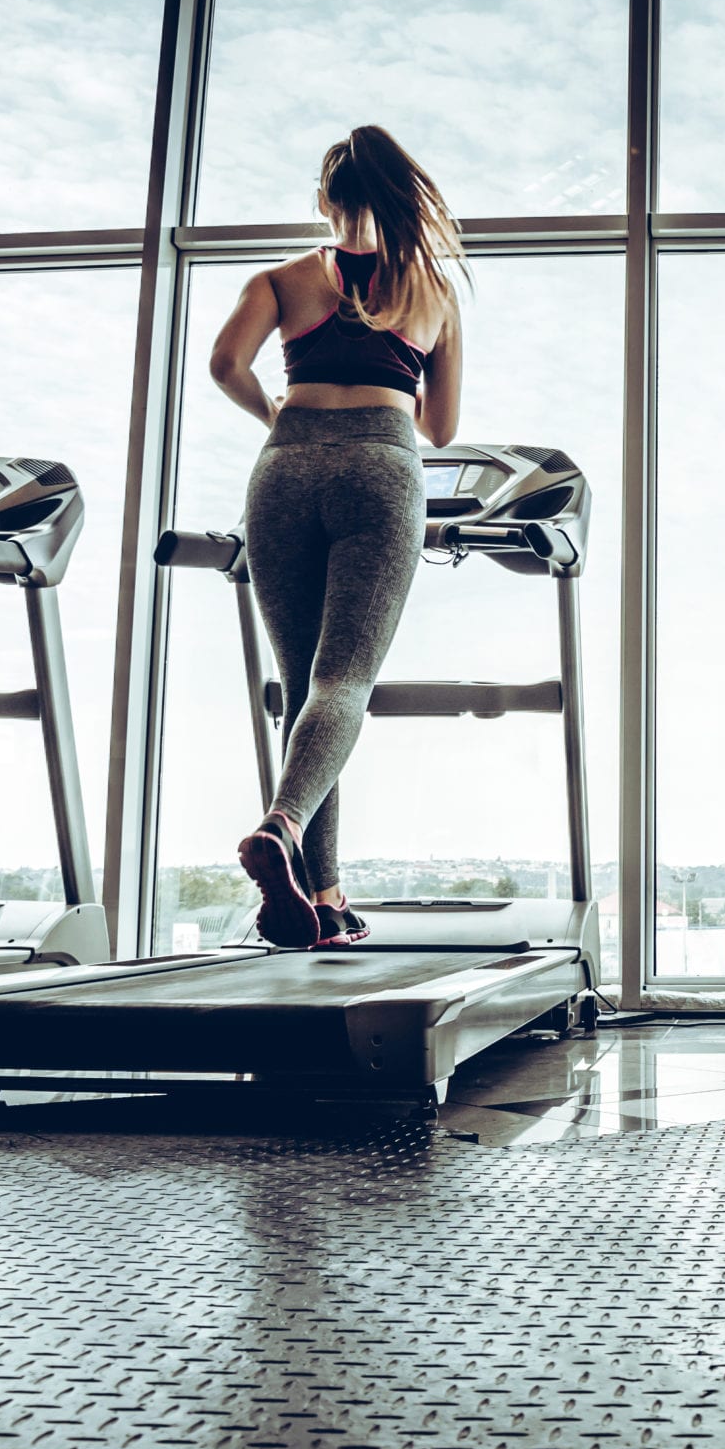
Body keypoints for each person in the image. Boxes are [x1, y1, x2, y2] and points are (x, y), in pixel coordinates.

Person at [206, 125, 466, 948]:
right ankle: (281, 829)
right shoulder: (431, 292)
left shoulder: (283, 280)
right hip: (382, 468)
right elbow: (446, 429)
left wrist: (278, 410)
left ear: (324, 200)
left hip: (283, 470)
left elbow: (224, 364)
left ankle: (323, 899)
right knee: (342, 683)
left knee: (301, 685)